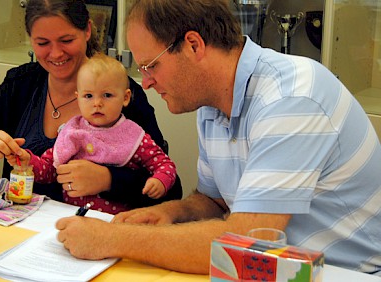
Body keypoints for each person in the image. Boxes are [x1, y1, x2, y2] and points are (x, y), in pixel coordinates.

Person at [55, 0, 381, 275]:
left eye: (150, 66)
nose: (147, 83)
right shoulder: (211, 103)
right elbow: (214, 201)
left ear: (194, 45)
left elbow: (243, 242)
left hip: (344, 274)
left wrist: (112, 239)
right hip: (274, 271)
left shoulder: (292, 98)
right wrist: (171, 213)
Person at [0, 0, 182, 209]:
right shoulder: (20, 84)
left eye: (66, 40)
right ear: (30, 39)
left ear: (88, 30)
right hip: (22, 227)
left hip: (96, 231)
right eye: (42, 43)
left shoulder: (119, 92)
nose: (56, 53)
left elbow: (170, 191)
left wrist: (109, 179)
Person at [7, 54, 177, 214]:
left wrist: (160, 180)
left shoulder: (133, 136)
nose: (97, 103)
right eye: (88, 96)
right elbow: (50, 170)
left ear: (125, 98)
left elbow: (165, 165)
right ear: (78, 97)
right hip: (72, 217)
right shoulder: (72, 132)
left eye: (107, 95)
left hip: (117, 223)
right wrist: (28, 162)